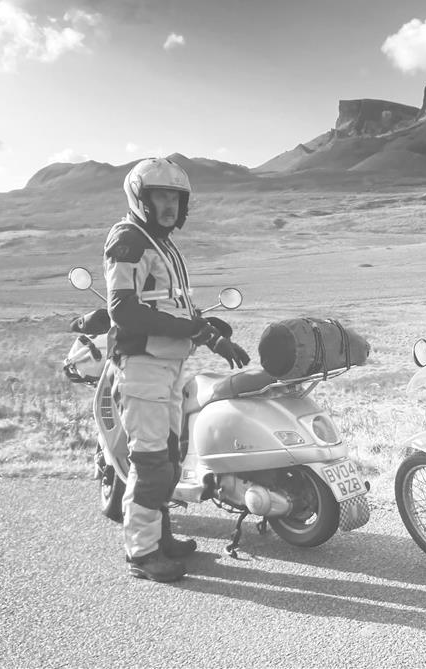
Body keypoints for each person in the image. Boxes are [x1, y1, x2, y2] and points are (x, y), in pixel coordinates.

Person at [104, 157, 250, 582]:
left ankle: (160, 537)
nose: (169, 205)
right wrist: (190, 328)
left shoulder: (162, 242)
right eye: (160, 196)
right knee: (150, 463)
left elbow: (171, 307)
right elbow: (123, 309)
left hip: (167, 368)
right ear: (140, 197)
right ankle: (142, 553)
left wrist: (211, 334)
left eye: (175, 198)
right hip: (143, 367)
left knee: (167, 458)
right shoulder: (129, 239)